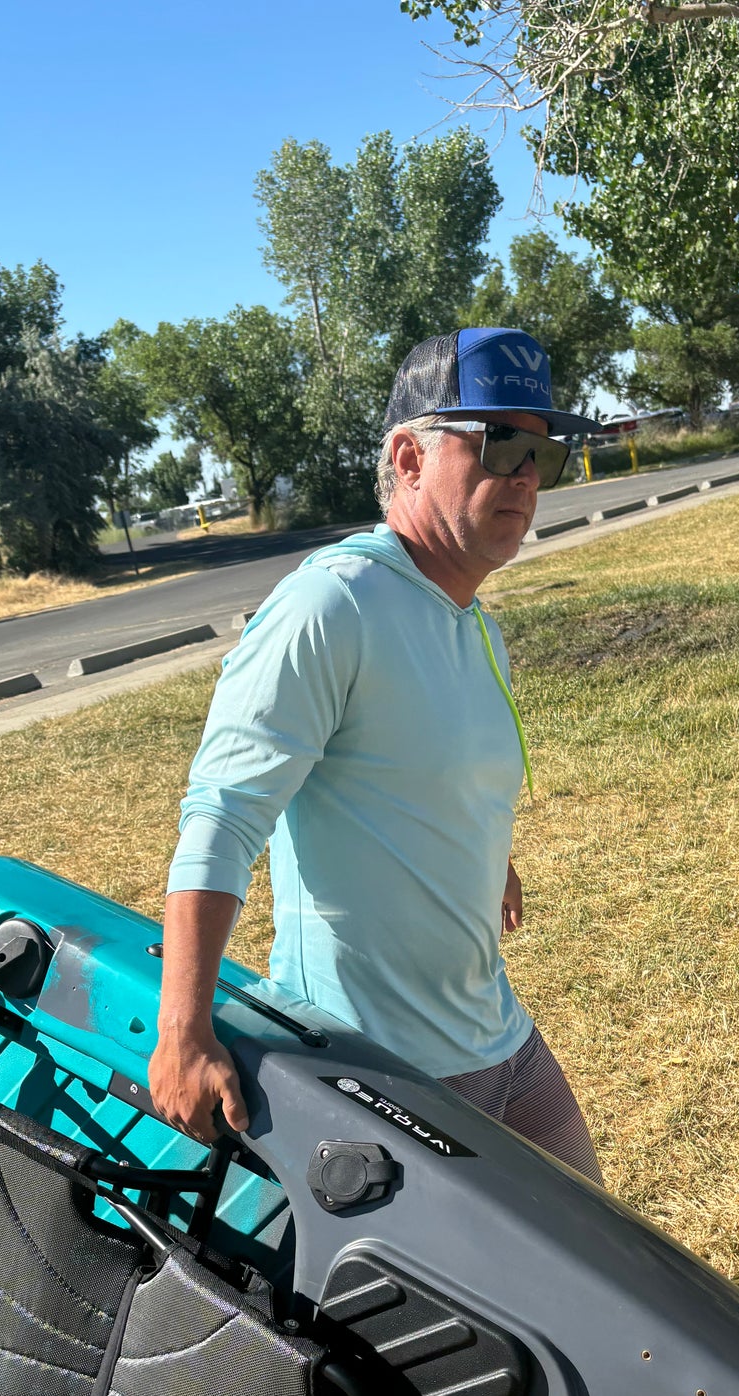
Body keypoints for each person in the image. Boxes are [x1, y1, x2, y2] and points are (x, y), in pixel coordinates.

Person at [149, 326, 604, 1183]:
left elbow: (432, 771)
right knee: (505, 1311)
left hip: (497, 1030)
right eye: (500, 442)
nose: (526, 476)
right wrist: (185, 1028)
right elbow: (222, 814)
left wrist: (486, 858)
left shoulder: (474, 623)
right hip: (392, 1072)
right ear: (407, 457)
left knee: (611, 1261)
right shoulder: (331, 605)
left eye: (542, 451)